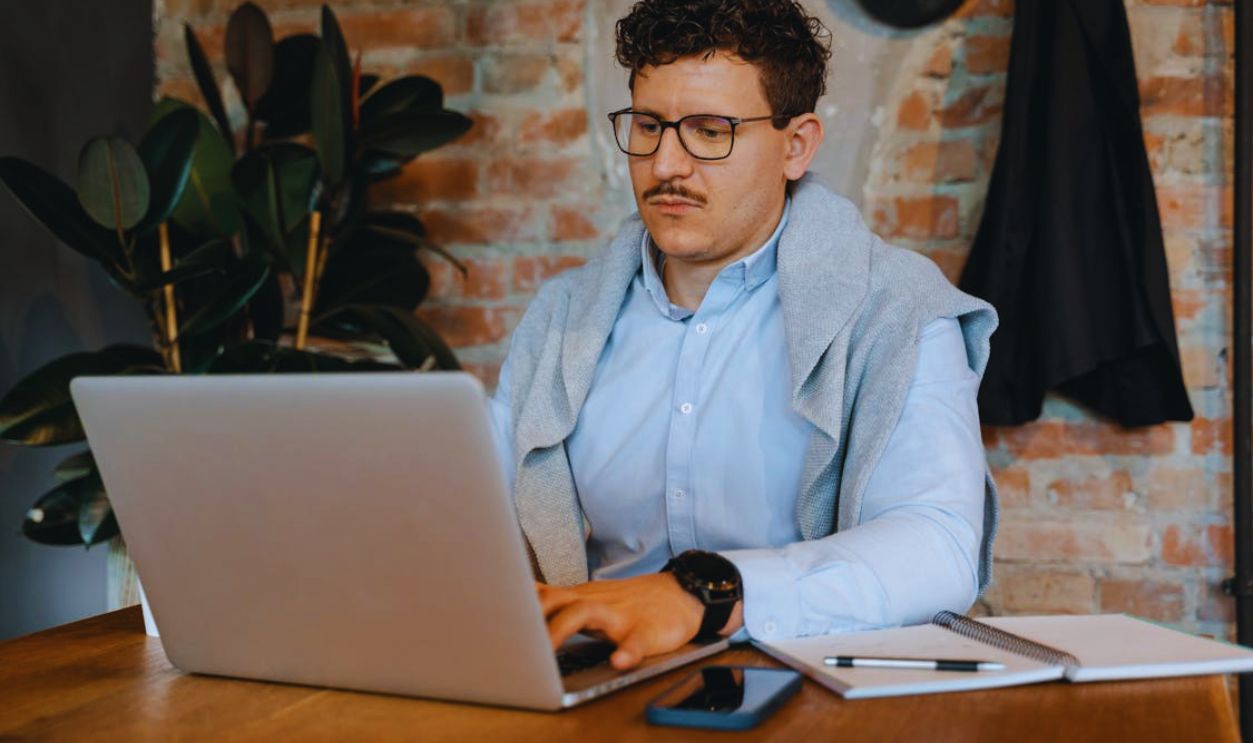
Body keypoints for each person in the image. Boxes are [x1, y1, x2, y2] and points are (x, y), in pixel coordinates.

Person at [487, 0, 999, 672]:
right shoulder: (561, 319)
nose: (666, 163)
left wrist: (704, 592)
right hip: (605, 685)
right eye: (648, 126)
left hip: (813, 689)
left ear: (797, 145)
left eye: (709, 131)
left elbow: (937, 546)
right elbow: (466, 506)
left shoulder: (895, 310)